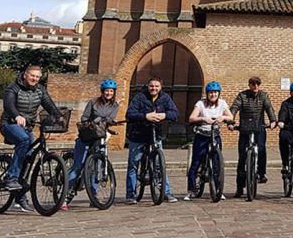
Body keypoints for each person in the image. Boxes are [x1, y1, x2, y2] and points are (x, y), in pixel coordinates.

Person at [0, 65, 61, 213]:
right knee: (24, 141)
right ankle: (11, 177)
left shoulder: (40, 90)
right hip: (10, 124)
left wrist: (58, 116)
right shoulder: (13, 88)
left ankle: (20, 198)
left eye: (38, 77)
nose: (35, 79)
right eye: (32, 76)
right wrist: (16, 116)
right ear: (25, 75)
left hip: (28, 127)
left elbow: (49, 105)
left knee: (28, 159)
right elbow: (8, 105)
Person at [62, 79, 120, 210]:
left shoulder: (115, 105)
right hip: (88, 136)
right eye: (106, 91)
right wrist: (92, 123)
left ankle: (93, 196)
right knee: (77, 167)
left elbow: (110, 119)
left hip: (100, 137)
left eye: (111, 91)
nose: (109, 93)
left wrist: (109, 123)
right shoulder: (93, 102)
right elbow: (84, 117)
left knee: (97, 168)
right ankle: (64, 197)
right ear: (102, 91)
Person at [125, 76, 179, 204]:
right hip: (138, 135)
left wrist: (165, 115)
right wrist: (145, 116)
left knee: (160, 164)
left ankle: (165, 192)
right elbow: (130, 114)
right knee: (134, 164)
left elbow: (175, 113)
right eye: (151, 86)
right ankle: (131, 194)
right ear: (148, 86)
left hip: (155, 134)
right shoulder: (140, 97)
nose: (153, 88)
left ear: (161, 87)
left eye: (156, 86)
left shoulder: (165, 98)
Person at [228, 76, 276, 198]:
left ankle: (261, 173)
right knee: (242, 157)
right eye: (253, 84)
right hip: (245, 128)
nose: (255, 86)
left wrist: (273, 121)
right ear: (249, 85)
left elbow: (269, 108)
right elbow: (234, 108)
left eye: (257, 84)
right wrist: (230, 121)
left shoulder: (263, 96)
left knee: (261, 149)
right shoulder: (242, 95)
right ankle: (239, 187)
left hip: (259, 127)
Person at [185, 81, 232, 201]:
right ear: (207, 94)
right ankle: (191, 190)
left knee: (217, 164)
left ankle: (218, 189)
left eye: (215, 92)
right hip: (202, 134)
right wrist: (203, 118)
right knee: (196, 162)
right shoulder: (200, 103)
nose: (213, 95)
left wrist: (223, 117)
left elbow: (230, 116)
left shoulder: (222, 103)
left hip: (214, 135)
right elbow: (191, 118)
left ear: (218, 93)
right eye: (211, 92)